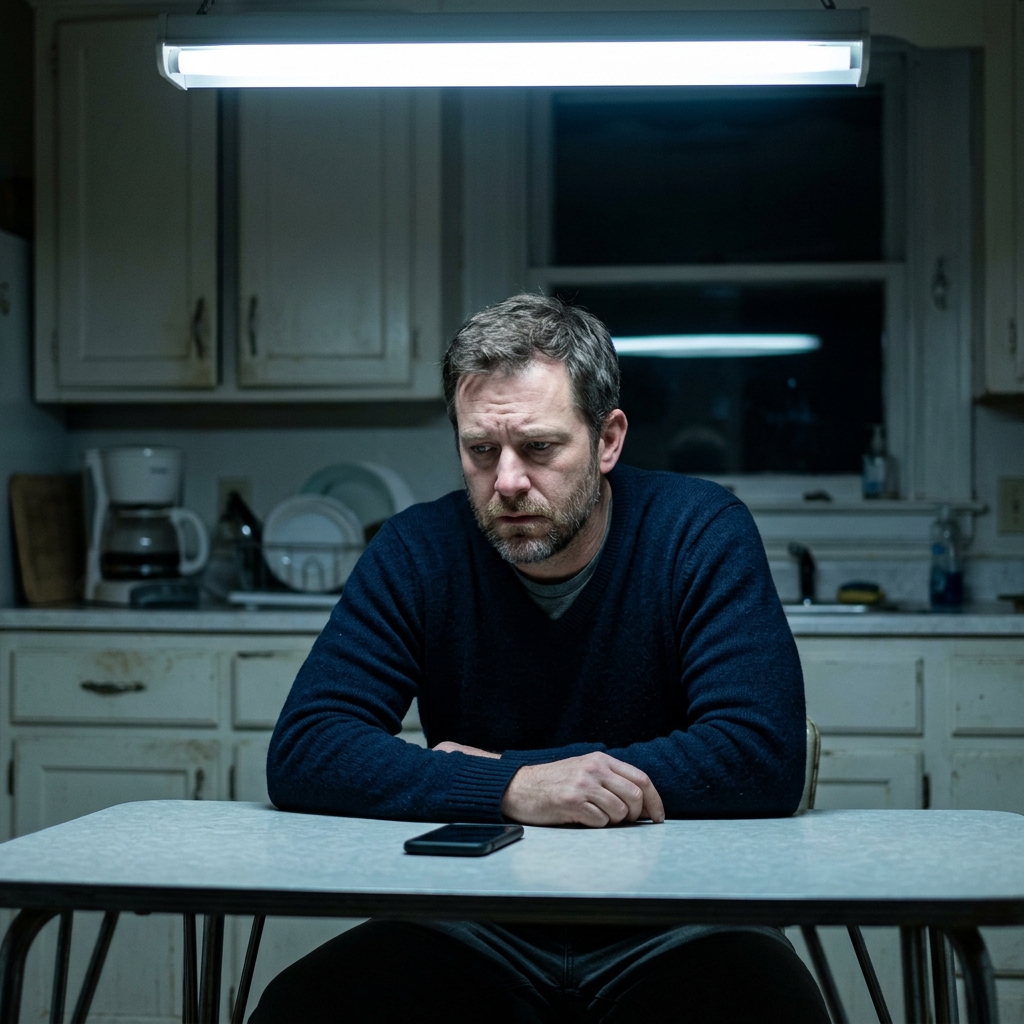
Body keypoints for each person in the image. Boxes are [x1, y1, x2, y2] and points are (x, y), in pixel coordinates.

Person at [252, 294, 829, 1023]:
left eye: (541, 448)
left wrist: (505, 770)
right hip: (469, 917)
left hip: (680, 918)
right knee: (300, 1009)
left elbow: (759, 753)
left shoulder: (699, 530)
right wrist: (516, 787)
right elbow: (306, 749)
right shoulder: (416, 550)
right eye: (482, 450)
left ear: (608, 439)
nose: (508, 482)